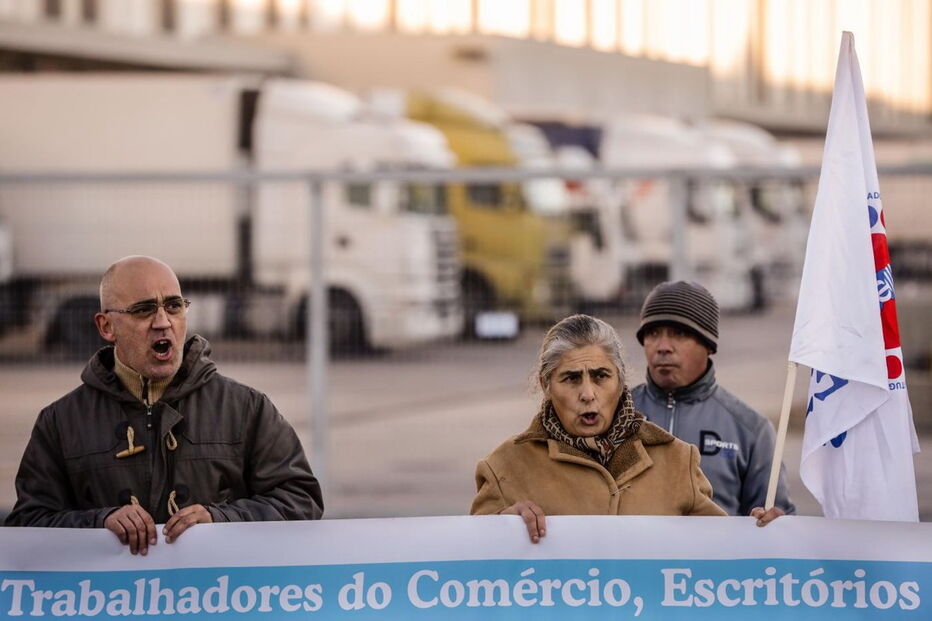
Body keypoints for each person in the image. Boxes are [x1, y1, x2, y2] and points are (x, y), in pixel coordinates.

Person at [5, 256, 323, 554]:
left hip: (217, 601)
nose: (163, 322)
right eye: (144, 310)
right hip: (112, 606)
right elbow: (28, 524)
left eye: (173, 306)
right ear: (106, 327)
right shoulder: (62, 421)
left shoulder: (246, 408)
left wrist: (222, 519)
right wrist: (99, 523)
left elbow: (301, 501)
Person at [471, 314, 781, 544]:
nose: (588, 393)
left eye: (600, 376)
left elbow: (724, 558)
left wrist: (765, 535)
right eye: (571, 378)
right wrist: (500, 530)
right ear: (546, 385)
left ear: (621, 382)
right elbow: (469, 572)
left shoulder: (676, 461)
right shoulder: (505, 468)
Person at [631, 280, 795, 518]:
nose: (663, 347)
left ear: (708, 345)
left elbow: (779, 521)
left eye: (679, 333)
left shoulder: (750, 429)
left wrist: (776, 521)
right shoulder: (614, 416)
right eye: (653, 333)